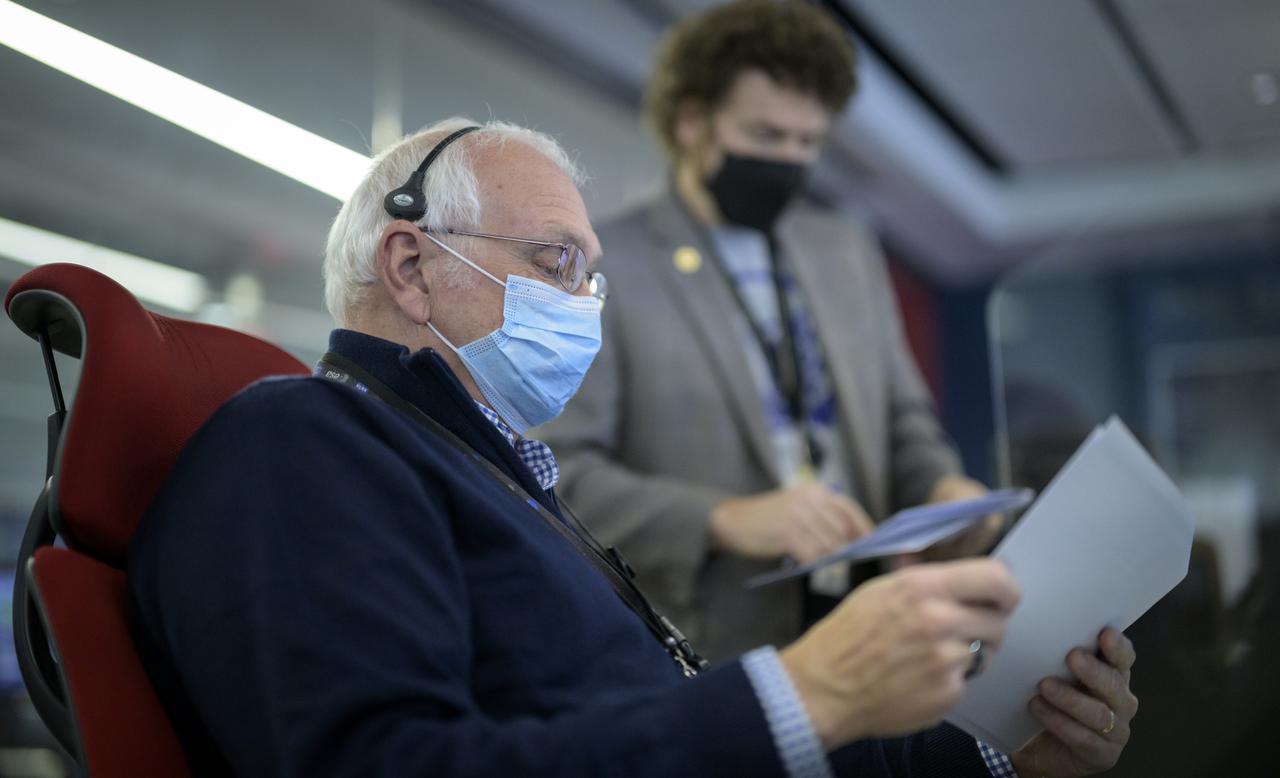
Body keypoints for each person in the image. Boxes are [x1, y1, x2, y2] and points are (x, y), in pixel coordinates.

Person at [128, 118, 1137, 777]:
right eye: (555, 262)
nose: (584, 308)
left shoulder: (503, 485)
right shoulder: (301, 445)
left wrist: (1006, 750)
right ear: (409, 265)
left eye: (591, 279)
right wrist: (808, 688)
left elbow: (655, 729)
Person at [537, 0, 993, 661]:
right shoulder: (611, 264)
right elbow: (559, 472)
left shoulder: (846, 252)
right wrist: (723, 518)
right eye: (766, 136)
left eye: (808, 143)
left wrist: (945, 492)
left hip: (870, 616)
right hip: (711, 642)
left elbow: (903, 422)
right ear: (692, 121)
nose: (789, 159)